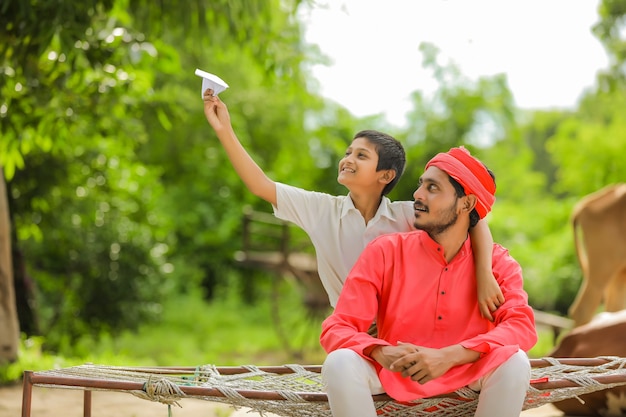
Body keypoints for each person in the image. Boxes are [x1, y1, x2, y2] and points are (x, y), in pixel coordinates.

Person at [202, 89, 504, 320]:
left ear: (386, 175)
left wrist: (484, 274)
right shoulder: (321, 210)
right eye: (348, 152)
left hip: (403, 327)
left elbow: (474, 220)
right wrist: (223, 129)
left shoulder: (406, 215)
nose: (348, 159)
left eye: (361, 156)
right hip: (349, 330)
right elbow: (260, 185)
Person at [319, 147, 538, 417]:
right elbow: (337, 327)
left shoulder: (498, 264)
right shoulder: (385, 251)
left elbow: (521, 327)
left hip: (469, 370)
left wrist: (450, 356)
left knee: (515, 361)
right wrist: (378, 350)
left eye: (433, 188)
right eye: (421, 185)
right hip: (396, 371)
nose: (417, 194)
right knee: (339, 362)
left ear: (466, 204)